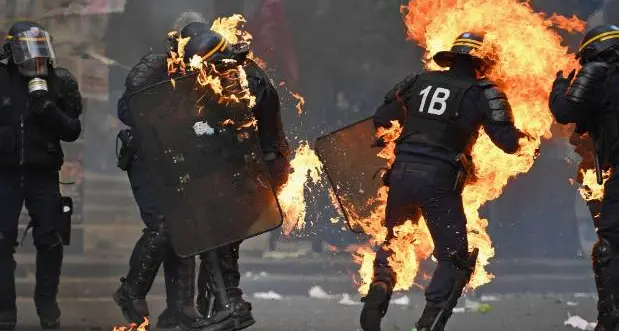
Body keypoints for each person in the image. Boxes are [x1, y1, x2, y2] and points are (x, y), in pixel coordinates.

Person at [359, 32, 525, 331]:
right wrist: (524, 138)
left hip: (402, 174)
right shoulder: (483, 91)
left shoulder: (418, 82)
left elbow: (383, 117)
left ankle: (380, 287)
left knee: (395, 240)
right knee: (454, 257)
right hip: (438, 180)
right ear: (483, 62)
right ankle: (429, 321)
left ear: (453, 57)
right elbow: (507, 143)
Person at [113, 14, 213, 331]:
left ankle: (180, 307)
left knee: (185, 228)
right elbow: (127, 110)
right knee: (162, 224)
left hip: (180, 161)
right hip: (146, 159)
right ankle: (131, 290)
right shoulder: (156, 66)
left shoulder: (204, 71)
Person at [188, 27, 290, 331]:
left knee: (223, 236)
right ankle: (215, 309)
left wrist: (209, 130)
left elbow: (242, 129)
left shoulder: (249, 81)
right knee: (220, 238)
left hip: (261, 169)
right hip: (243, 167)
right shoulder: (229, 75)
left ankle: (232, 306)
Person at [0, 21, 82, 330]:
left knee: (50, 239)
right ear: (13, 53)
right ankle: (5, 309)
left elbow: (73, 130)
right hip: (4, 175)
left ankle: (47, 303)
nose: (36, 60)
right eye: (27, 52)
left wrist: (49, 110)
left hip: (43, 174)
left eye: (40, 52)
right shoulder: (2, 79)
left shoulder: (58, 82)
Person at [549, 24, 619, 331]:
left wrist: (559, 85)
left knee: (610, 246)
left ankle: (611, 317)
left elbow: (565, 111)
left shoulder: (598, 72)